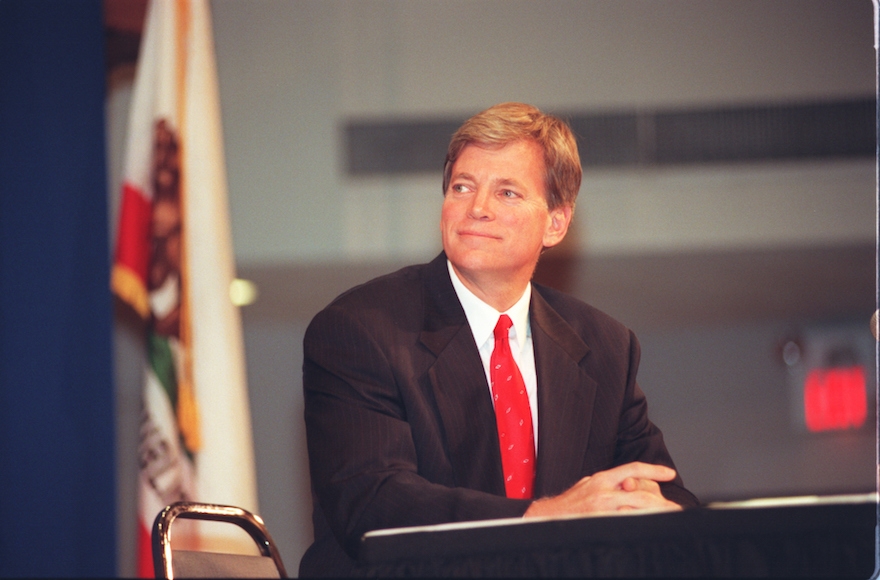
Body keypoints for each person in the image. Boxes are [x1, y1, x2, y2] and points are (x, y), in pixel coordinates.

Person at [300, 102, 699, 576]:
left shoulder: (605, 346)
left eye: (507, 192)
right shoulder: (360, 328)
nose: (477, 208)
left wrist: (658, 513)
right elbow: (374, 503)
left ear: (556, 222)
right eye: (462, 187)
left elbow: (666, 493)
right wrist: (543, 517)